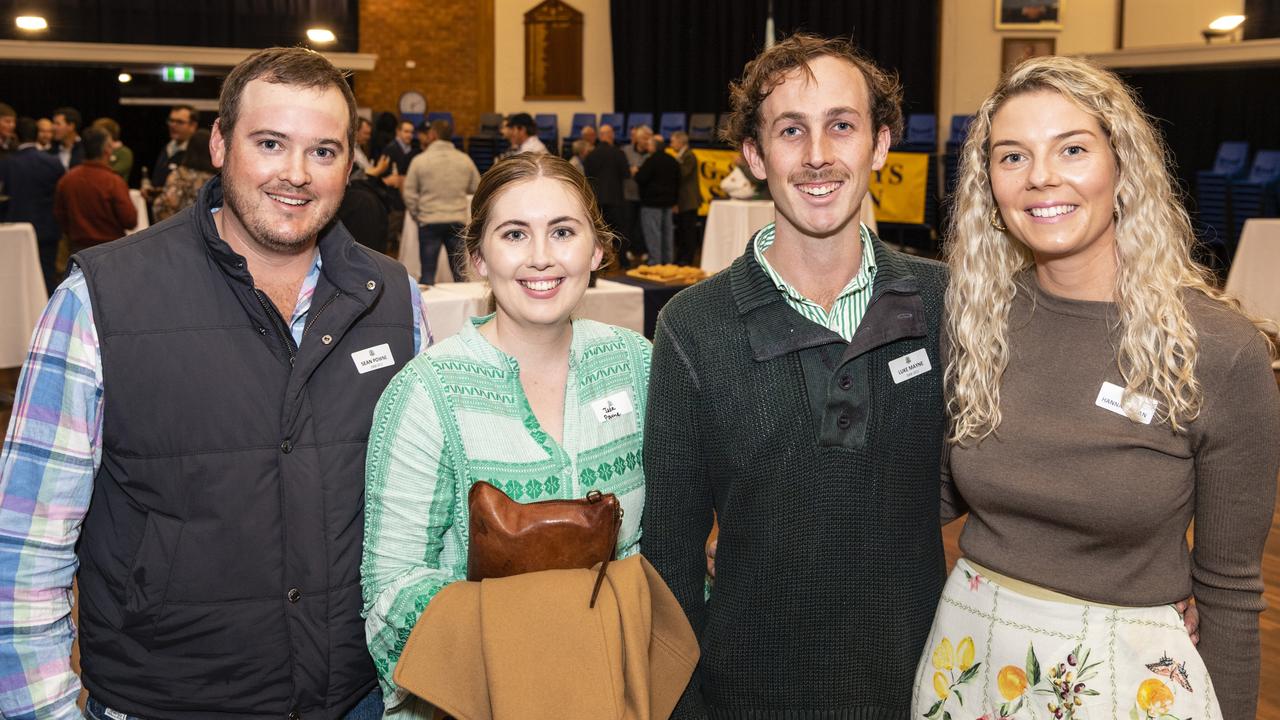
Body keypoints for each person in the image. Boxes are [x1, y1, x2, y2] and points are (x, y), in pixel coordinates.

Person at [0, 46, 430, 720]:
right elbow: (23, 549)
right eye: (270, 143)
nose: (295, 174)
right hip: (169, 700)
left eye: (323, 151)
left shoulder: (395, 300)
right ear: (220, 143)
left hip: (357, 698)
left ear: (352, 163)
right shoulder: (99, 301)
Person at [915, 56, 1280, 720]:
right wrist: (771, 524)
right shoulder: (977, 321)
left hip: (1126, 680)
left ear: (1122, 165)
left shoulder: (1219, 352)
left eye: (1072, 149)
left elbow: (1231, 592)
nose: (1041, 177)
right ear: (988, 184)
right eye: (1012, 157)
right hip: (969, 659)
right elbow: (926, 497)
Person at [642, 33, 950, 718]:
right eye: (790, 131)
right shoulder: (692, 325)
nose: (817, 156)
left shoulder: (945, 302)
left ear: (879, 145)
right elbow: (670, 550)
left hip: (921, 684)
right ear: (754, 156)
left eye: (842, 126)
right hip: (746, 691)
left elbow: (989, 480)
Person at [362, 153, 650, 717]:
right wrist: (538, 648)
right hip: (471, 700)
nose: (541, 257)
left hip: (617, 691)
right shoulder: (428, 392)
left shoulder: (637, 366)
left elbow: (671, 539)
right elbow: (390, 594)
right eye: (514, 234)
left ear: (596, 250)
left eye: (563, 232)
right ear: (476, 258)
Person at [402, 119, 480, 284]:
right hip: (457, 221)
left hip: (429, 220)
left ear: (433, 135)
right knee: (460, 275)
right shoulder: (464, 159)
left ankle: (425, 309)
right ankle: (466, 309)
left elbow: (408, 192)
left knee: (428, 275)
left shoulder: (420, 160)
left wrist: (418, 214)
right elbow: (477, 188)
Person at [0, 116, 65, 293]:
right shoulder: (52, 162)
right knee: (47, 280)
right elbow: (62, 196)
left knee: (18, 281)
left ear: (16, 136)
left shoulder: (6, 163)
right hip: (47, 230)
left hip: (15, 231)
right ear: (37, 135)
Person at [52, 125, 137, 252]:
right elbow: (130, 220)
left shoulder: (67, 179)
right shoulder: (113, 181)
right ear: (107, 150)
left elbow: (60, 216)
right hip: (111, 251)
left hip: (78, 251)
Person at [583, 123, 631, 266]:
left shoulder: (591, 155)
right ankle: (623, 261)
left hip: (597, 200)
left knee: (599, 232)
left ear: (599, 136)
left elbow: (587, 176)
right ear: (611, 136)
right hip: (616, 199)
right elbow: (626, 174)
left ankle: (600, 262)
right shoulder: (619, 153)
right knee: (620, 232)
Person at [152, 128, 216, 221]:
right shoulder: (218, 179)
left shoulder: (179, 175)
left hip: (180, 230)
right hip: (210, 231)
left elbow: (164, 204)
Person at [635, 133, 680, 265]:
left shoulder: (651, 160)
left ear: (654, 147)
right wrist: (675, 201)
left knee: (653, 233)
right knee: (667, 233)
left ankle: (655, 262)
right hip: (668, 203)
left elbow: (640, 178)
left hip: (651, 203)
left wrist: (636, 171)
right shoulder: (673, 161)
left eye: (649, 144)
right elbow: (678, 182)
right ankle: (668, 261)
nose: (647, 146)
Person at [147, 104, 199, 193]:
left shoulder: (198, 153)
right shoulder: (167, 148)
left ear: (193, 126)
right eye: (171, 120)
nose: (173, 125)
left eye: (179, 122)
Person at [669, 130, 702, 265]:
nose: (671, 144)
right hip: (683, 201)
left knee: (688, 231)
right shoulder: (681, 156)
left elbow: (682, 174)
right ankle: (681, 257)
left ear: (680, 142)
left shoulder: (689, 156)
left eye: (673, 141)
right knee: (682, 230)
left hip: (689, 201)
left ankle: (688, 259)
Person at [91, 117, 133, 181]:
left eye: (98, 132)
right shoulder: (95, 150)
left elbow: (113, 172)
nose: (94, 135)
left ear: (109, 133)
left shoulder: (125, 152)